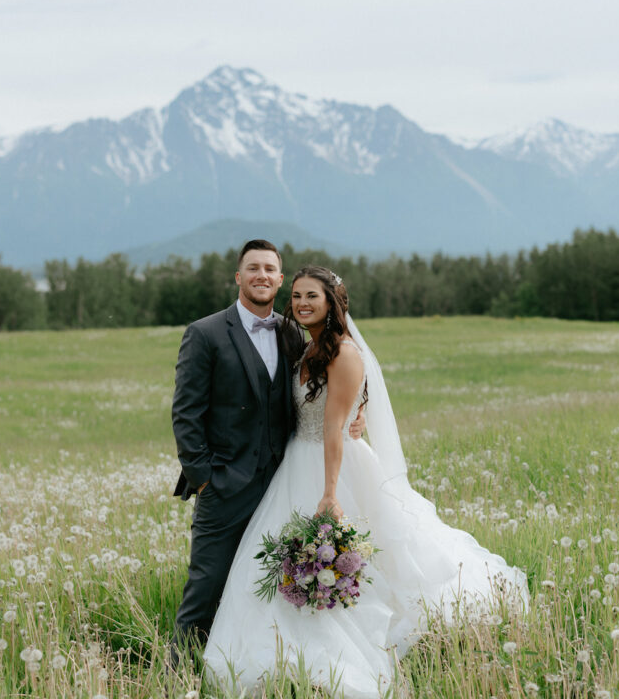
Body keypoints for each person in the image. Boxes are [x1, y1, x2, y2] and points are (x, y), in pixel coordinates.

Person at [203, 266, 529, 698]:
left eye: (312, 296)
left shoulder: (343, 352)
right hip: (296, 461)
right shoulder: (307, 346)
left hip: (331, 467)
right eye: (297, 296)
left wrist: (330, 493)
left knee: (355, 558)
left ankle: (339, 648)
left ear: (332, 302)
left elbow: (334, 429)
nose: (301, 303)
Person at [171, 241, 362, 653]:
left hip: (283, 483)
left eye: (270, 269)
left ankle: (257, 664)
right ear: (239, 277)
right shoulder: (204, 333)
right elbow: (185, 415)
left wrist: (359, 412)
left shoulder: (293, 333)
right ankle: (178, 672)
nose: (261, 275)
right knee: (207, 585)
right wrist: (205, 479)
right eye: (252, 268)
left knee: (270, 587)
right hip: (224, 484)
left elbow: (343, 376)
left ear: (279, 279)